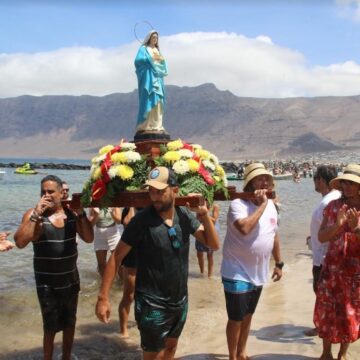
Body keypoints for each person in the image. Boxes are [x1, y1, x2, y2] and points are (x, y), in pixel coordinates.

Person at [96, 166, 219, 359]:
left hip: (180, 299)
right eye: (151, 191)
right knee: (154, 355)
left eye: (160, 191)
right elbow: (116, 258)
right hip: (151, 302)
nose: (154, 197)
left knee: (170, 349)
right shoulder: (141, 221)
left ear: (175, 190)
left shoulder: (184, 216)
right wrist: (103, 298)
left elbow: (212, 243)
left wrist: (204, 215)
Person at [14, 175, 94, 360]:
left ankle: (66, 356)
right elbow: (19, 242)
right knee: (49, 327)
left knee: (69, 323)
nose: (47, 195)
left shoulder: (72, 215)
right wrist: (36, 214)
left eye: (51, 192)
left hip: (70, 280)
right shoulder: (34, 216)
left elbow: (89, 239)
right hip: (47, 283)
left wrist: (81, 213)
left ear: (61, 193)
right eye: (43, 192)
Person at [221, 162, 283, 360]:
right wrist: (263, 205)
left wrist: (279, 263)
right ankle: (232, 356)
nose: (264, 181)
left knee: (248, 316)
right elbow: (244, 228)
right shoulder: (238, 205)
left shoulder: (272, 206)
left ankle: (242, 352)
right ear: (249, 183)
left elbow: (274, 235)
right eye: (259, 178)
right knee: (236, 318)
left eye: (267, 178)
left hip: (259, 271)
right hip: (236, 270)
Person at [314, 164, 360, 360]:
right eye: (344, 182)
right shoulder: (333, 206)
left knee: (349, 312)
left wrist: (356, 228)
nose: (347, 186)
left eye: (352, 183)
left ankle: (342, 354)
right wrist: (338, 225)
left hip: (354, 271)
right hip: (332, 268)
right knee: (327, 310)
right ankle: (326, 353)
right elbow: (322, 236)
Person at [304, 165, 341, 337]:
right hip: (322, 253)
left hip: (324, 257)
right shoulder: (330, 199)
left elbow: (332, 231)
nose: (314, 182)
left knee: (322, 294)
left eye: (315, 178)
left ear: (322, 180)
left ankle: (322, 326)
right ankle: (325, 325)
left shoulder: (328, 201)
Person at [134, 30, 168, 134]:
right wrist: (150, 60)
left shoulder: (157, 51)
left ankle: (157, 124)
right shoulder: (144, 49)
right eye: (153, 37)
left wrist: (161, 61)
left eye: (156, 38)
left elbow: (162, 64)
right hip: (148, 78)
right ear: (149, 38)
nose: (155, 39)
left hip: (157, 78)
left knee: (158, 100)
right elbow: (137, 61)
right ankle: (146, 124)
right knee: (148, 98)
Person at [118, 207, 138, 338]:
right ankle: (123, 330)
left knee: (144, 294)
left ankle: (139, 322)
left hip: (149, 254)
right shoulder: (128, 209)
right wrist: (132, 204)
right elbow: (127, 222)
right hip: (132, 255)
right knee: (129, 295)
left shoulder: (153, 207)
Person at [88, 207, 122, 277]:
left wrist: (112, 213)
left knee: (119, 262)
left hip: (113, 234)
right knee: (101, 265)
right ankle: (105, 284)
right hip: (99, 234)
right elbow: (90, 225)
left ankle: (121, 285)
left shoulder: (113, 201)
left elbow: (119, 221)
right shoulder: (94, 202)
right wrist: (96, 215)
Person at [195, 201, 220, 277]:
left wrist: (204, 214)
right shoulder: (199, 204)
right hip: (201, 227)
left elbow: (215, 221)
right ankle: (201, 272)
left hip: (211, 229)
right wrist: (201, 215)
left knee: (210, 255)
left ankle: (210, 275)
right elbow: (197, 218)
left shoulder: (215, 206)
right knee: (199, 253)